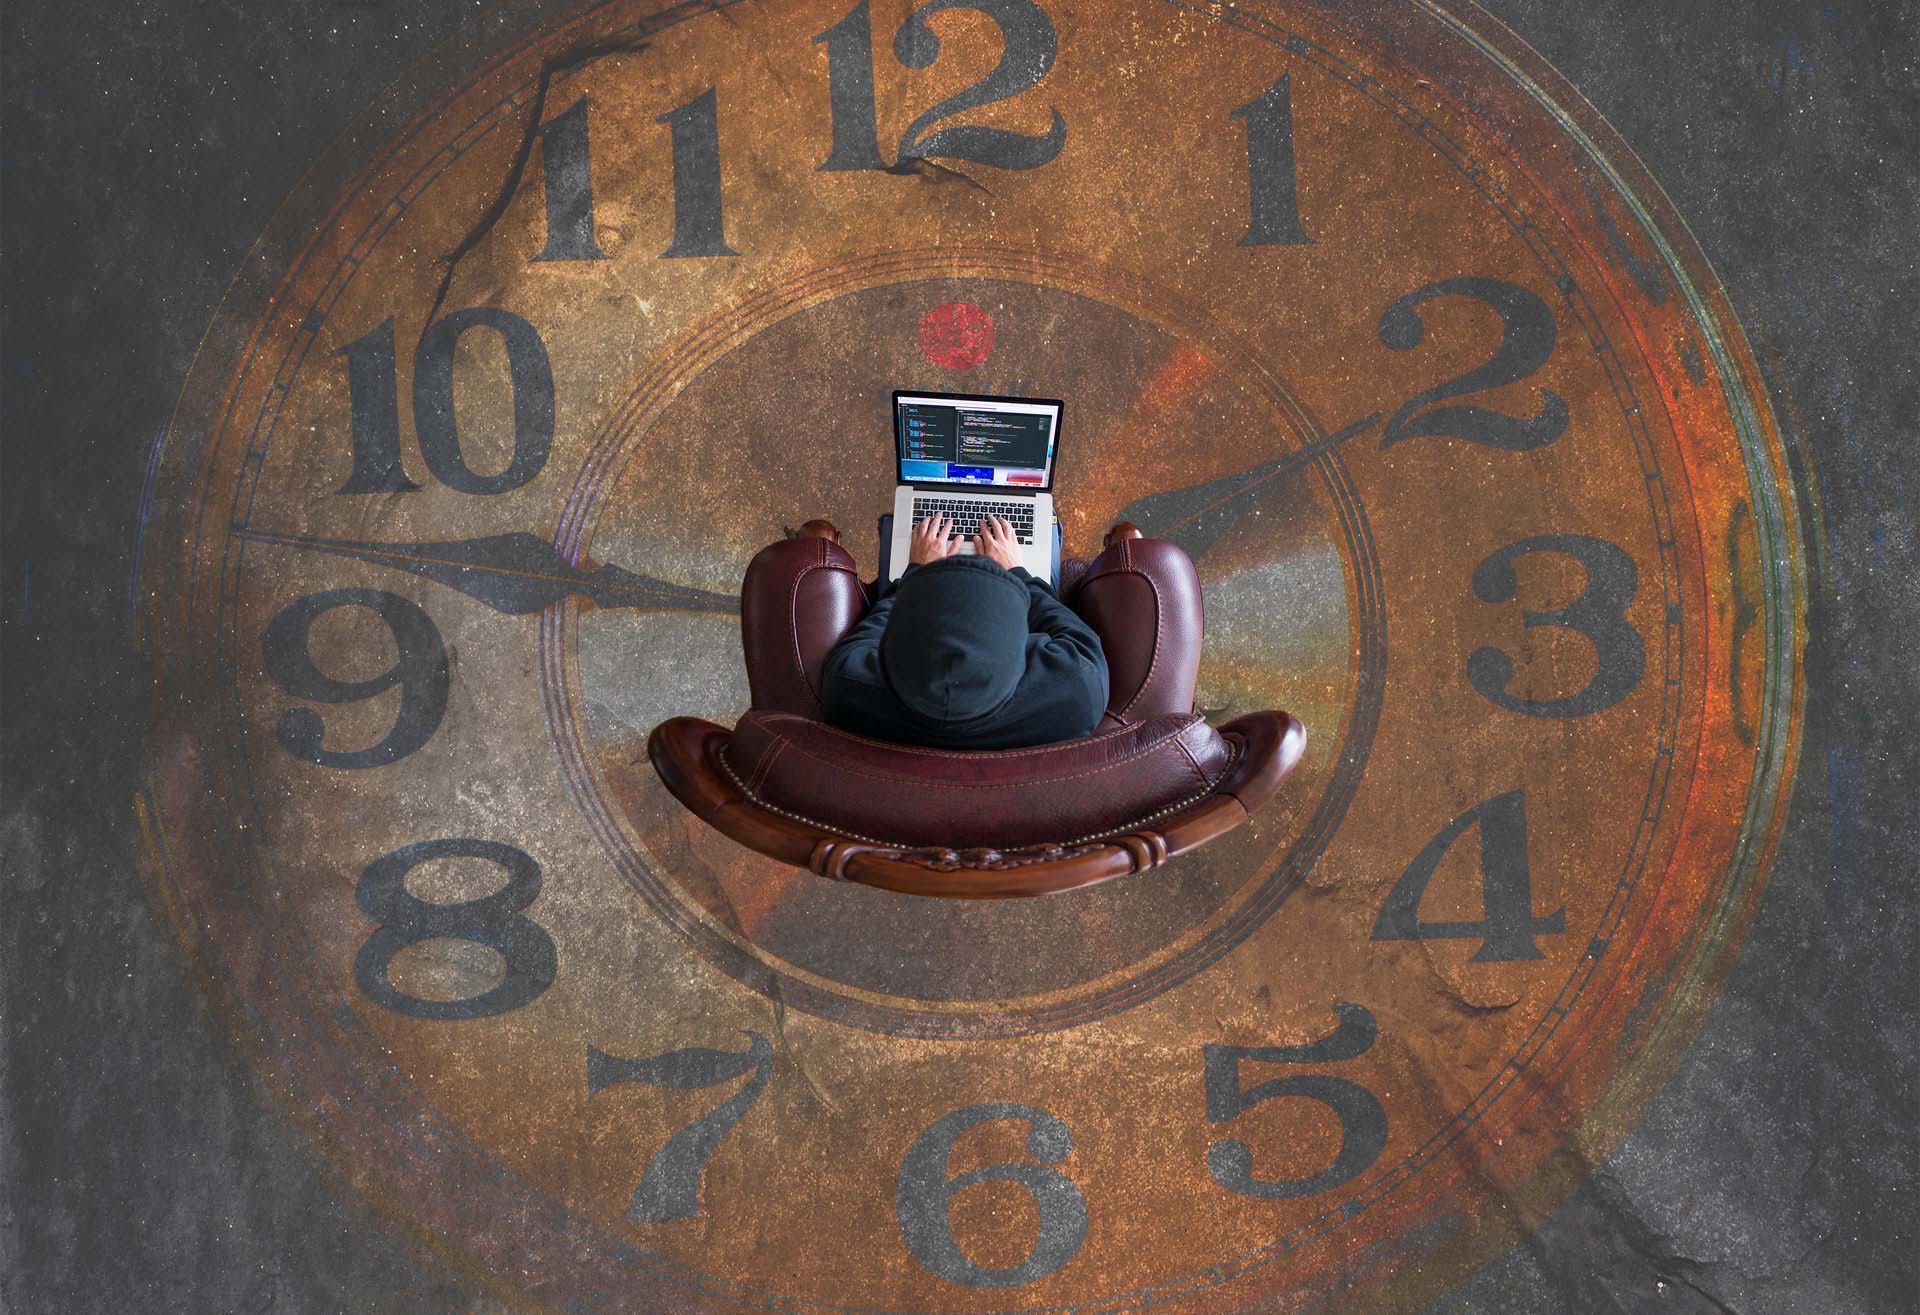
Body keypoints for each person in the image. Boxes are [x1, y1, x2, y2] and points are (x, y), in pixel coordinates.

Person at [817, 513, 1108, 750]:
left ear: (888, 650)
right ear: (1022, 646)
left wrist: (916, 570)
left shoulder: (846, 686)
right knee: (1050, 521)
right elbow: (1069, 627)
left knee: (895, 524)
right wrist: (1018, 571)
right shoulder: (1078, 688)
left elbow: (869, 630)